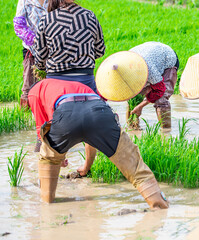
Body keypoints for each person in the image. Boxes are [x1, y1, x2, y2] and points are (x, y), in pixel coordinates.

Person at [28, 79, 168, 209]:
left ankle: (47, 205)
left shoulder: (34, 92)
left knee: (48, 159)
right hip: (100, 112)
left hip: (67, 112)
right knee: (135, 166)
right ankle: (159, 206)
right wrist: (86, 168)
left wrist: (57, 155)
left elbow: (43, 129)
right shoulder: (80, 87)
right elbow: (90, 137)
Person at [32, 0, 105, 92]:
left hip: (55, 83)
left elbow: (40, 59)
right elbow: (100, 50)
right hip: (85, 80)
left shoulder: (46, 19)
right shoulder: (89, 16)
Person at [128, 42, 179, 128]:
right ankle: (132, 127)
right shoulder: (123, 69)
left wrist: (140, 106)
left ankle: (165, 133)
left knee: (161, 100)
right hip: (149, 53)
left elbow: (160, 90)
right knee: (133, 97)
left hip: (167, 58)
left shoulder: (149, 69)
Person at [13, 0, 48, 108]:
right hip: (31, 49)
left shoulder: (53, 1)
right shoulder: (24, 1)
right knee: (29, 82)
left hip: (52, 48)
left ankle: (47, 106)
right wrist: (36, 40)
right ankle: (26, 110)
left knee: (50, 80)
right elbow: (19, 26)